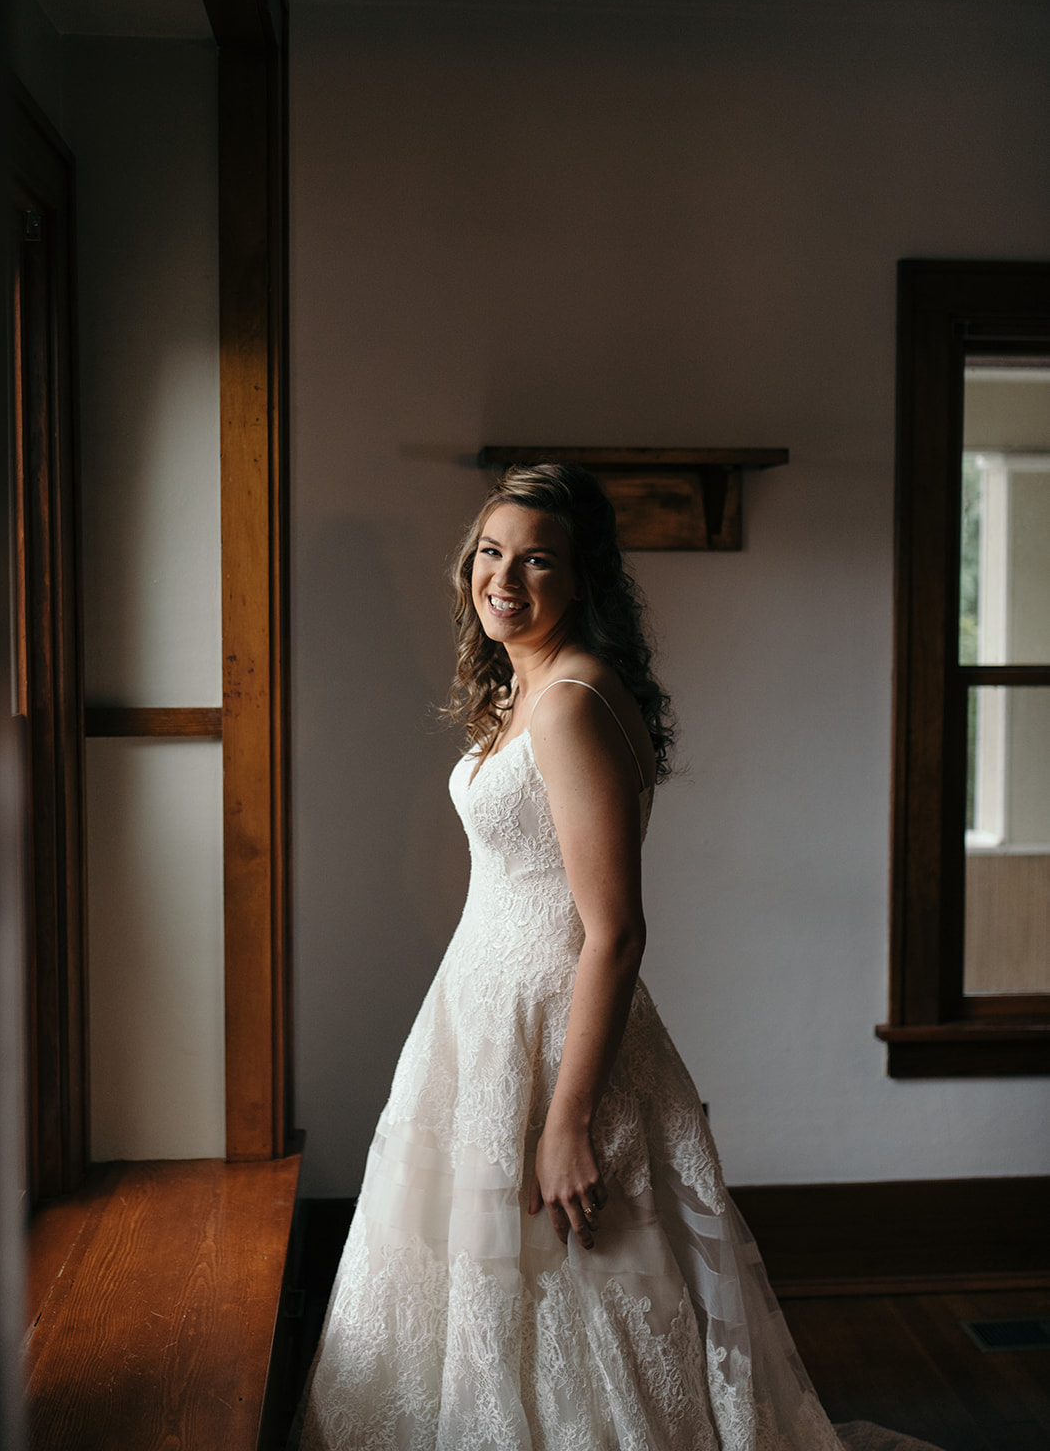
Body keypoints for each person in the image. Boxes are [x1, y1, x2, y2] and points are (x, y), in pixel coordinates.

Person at [295, 465, 892, 1451]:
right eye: (490, 552)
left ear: (582, 580)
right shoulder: (534, 683)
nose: (504, 578)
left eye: (536, 560)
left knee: (575, 1284)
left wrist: (565, 1117)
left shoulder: (569, 703)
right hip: (480, 1016)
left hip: (549, 1032)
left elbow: (614, 931)